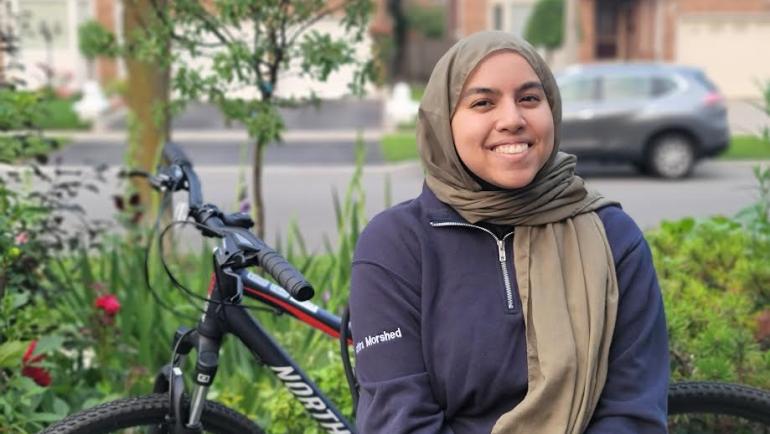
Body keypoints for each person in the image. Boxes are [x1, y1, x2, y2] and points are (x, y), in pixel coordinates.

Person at [348, 31, 669, 434]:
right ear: (442, 122)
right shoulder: (396, 246)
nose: (513, 120)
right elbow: (398, 422)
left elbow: (632, 414)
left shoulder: (612, 238)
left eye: (530, 99)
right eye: (483, 103)